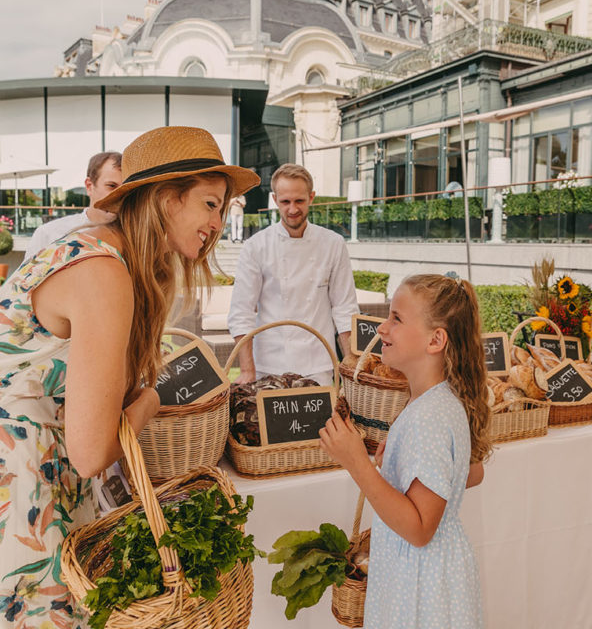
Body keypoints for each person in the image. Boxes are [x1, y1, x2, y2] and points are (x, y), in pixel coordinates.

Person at [0, 126, 259, 628]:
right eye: (210, 203)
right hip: (23, 486)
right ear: (166, 200)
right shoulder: (103, 272)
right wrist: (150, 403)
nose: (218, 222)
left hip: (39, 475)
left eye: (222, 209)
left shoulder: (103, 255)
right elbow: (93, 451)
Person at [320, 274, 491, 629]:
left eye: (397, 318)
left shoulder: (428, 417)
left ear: (435, 340)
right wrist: (402, 465)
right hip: (430, 575)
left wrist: (357, 463)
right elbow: (471, 472)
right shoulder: (437, 401)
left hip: (420, 587)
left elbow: (418, 529)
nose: (383, 328)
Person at [229, 163, 358, 386]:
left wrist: (350, 361)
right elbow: (242, 311)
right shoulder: (256, 246)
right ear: (275, 199)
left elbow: (344, 308)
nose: (292, 209)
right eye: (285, 202)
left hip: (318, 362)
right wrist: (248, 370)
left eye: (299, 201)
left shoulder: (333, 243)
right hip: (269, 363)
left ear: (311, 197)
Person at [23, 151, 123, 261]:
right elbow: (26, 277)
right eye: (111, 186)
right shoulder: (49, 234)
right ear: (89, 186)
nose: (119, 195)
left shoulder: (136, 238)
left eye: (124, 189)